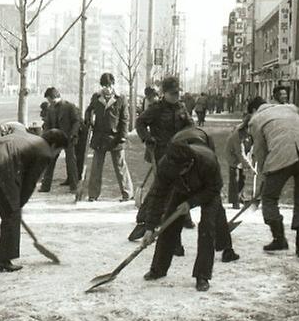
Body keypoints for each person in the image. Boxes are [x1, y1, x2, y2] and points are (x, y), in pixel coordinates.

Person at [0, 129, 68, 272]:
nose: (56, 155)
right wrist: (17, 206)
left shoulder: (27, 137)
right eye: (58, 151)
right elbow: (29, 183)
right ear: (53, 146)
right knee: (11, 214)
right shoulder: (44, 151)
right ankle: (3, 260)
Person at [140, 141, 227, 291]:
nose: (177, 172)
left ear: (190, 163)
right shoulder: (166, 165)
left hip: (208, 192)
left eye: (181, 170)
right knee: (168, 224)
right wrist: (149, 227)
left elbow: (215, 188)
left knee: (207, 229)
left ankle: (202, 275)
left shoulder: (208, 161)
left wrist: (192, 202)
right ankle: (158, 269)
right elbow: (157, 196)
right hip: (182, 190)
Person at [248, 96, 299, 258]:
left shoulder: (256, 120)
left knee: (269, 198)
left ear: (253, 110)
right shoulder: (290, 107)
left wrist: (264, 175)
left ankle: (279, 239)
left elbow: (260, 151)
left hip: (281, 156)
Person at [132, 76, 195, 239]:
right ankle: (144, 219)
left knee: (179, 182)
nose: (175, 96)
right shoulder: (156, 108)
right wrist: (147, 138)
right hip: (161, 153)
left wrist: (189, 136)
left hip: (179, 153)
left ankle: (182, 217)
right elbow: (139, 123)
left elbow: (190, 125)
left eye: (177, 93)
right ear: (164, 93)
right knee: (162, 186)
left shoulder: (181, 108)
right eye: (172, 93)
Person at [85, 73, 134, 202]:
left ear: (113, 85)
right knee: (96, 167)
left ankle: (127, 193)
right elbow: (89, 110)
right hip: (99, 137)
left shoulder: (121, 98)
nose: (107, 88)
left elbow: (125, 119)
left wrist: (123, 136)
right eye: (105, 85)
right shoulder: (96, 97)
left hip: (115, 137)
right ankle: (93, 194)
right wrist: (89, 118)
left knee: (120, 166)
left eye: (110, 85)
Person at [39, 87, 81, 192]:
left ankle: (74, 186)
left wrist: (73, 134)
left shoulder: (69, 106)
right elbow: (47, 125)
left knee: (71, 162)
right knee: (50, 161)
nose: (49, 102)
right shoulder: (50, 109)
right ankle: (45, 186)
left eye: (50, 100)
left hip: (68, 138)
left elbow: (76, 121)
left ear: (55, 97)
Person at [225, 113, 254, 208]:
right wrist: (250, 167)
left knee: (243, 179)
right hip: (233, 156)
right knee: (235, 179)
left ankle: (240, 196)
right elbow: (239, 153)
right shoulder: (238, 134)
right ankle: (234, 201)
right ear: (246, 127)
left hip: (243, 156)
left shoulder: (251, 133)